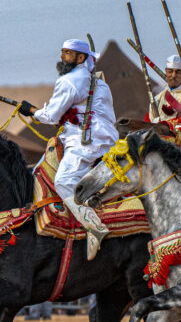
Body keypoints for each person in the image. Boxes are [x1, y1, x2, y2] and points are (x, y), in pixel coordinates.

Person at [19, 39, 118, 260]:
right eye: (62, 52)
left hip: (86, 142)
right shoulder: (97, 81)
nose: (62, 57)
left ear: (81, 58)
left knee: (63, 181)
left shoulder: (69, 81)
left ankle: (94, 227)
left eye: (68, 53)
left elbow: (51, 115)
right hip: (104, 138)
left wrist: (31, 111)